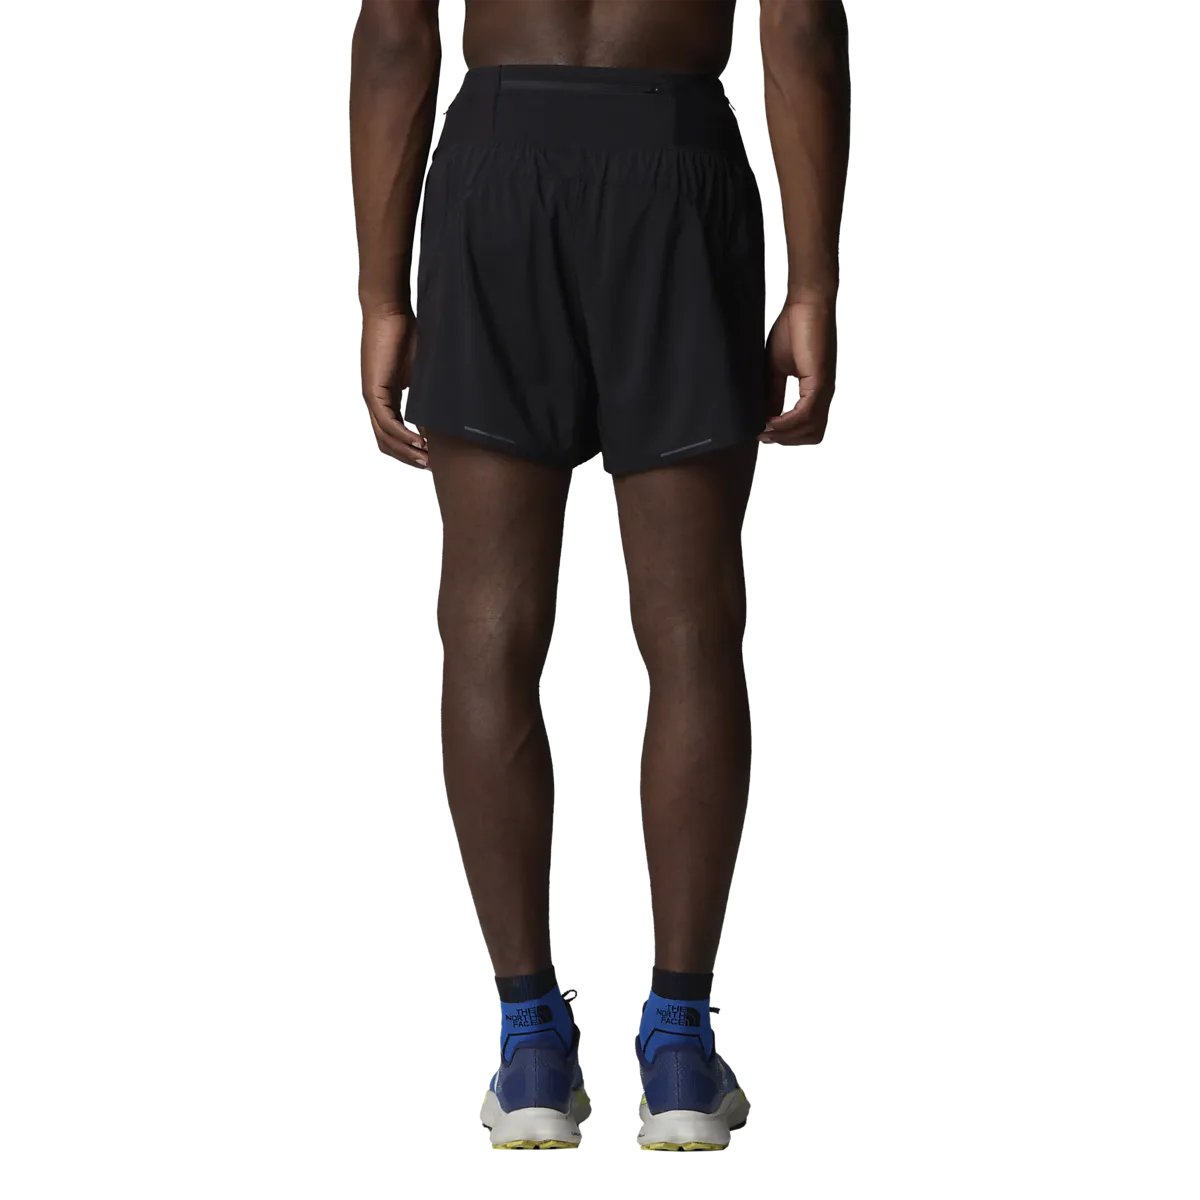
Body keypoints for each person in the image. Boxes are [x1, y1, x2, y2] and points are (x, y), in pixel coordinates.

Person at [350, 0, 851, 1152]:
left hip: (496, 158)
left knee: (487, 630)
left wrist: (381, 297)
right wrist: (814, 286)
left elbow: (392, 37)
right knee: (692, 631)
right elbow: (801, 29)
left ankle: (530, 1047)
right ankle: (678, 1053)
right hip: (673, 157)